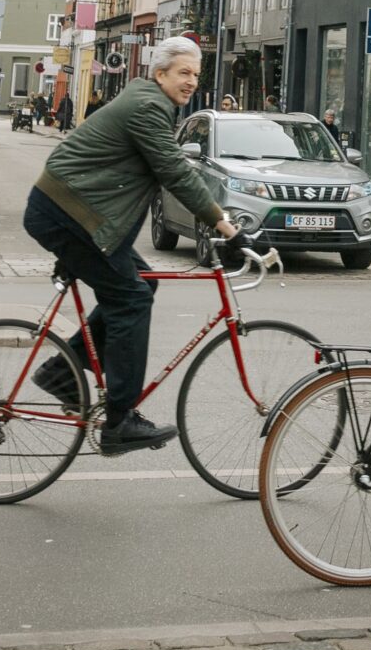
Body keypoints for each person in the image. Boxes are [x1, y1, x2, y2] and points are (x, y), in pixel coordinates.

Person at [24, 37, 240, 454]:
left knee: (143, 282)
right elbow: (175, 171)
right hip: (68, 213)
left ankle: (61, 373)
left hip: (79, 214)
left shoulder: (150, 102)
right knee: (131, 301)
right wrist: (224, 225)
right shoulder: (148, 108)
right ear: (160, 74)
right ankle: (120, 421)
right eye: (184, 72)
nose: (192, 81)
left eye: (196, 74)